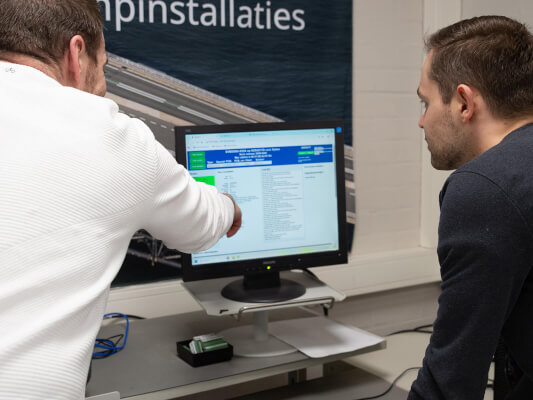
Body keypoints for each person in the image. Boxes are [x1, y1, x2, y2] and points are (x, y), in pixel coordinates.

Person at [0, 0, 241, 399]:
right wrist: (230, 207)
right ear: (77, 53)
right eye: (104, 66)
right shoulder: (107, 133)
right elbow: (201, 225)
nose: (103, 84)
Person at [410, 15, 533, 399]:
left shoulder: (485, 189)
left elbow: (451, 382)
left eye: (426, 102)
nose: (421, 121)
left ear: (464, 102)